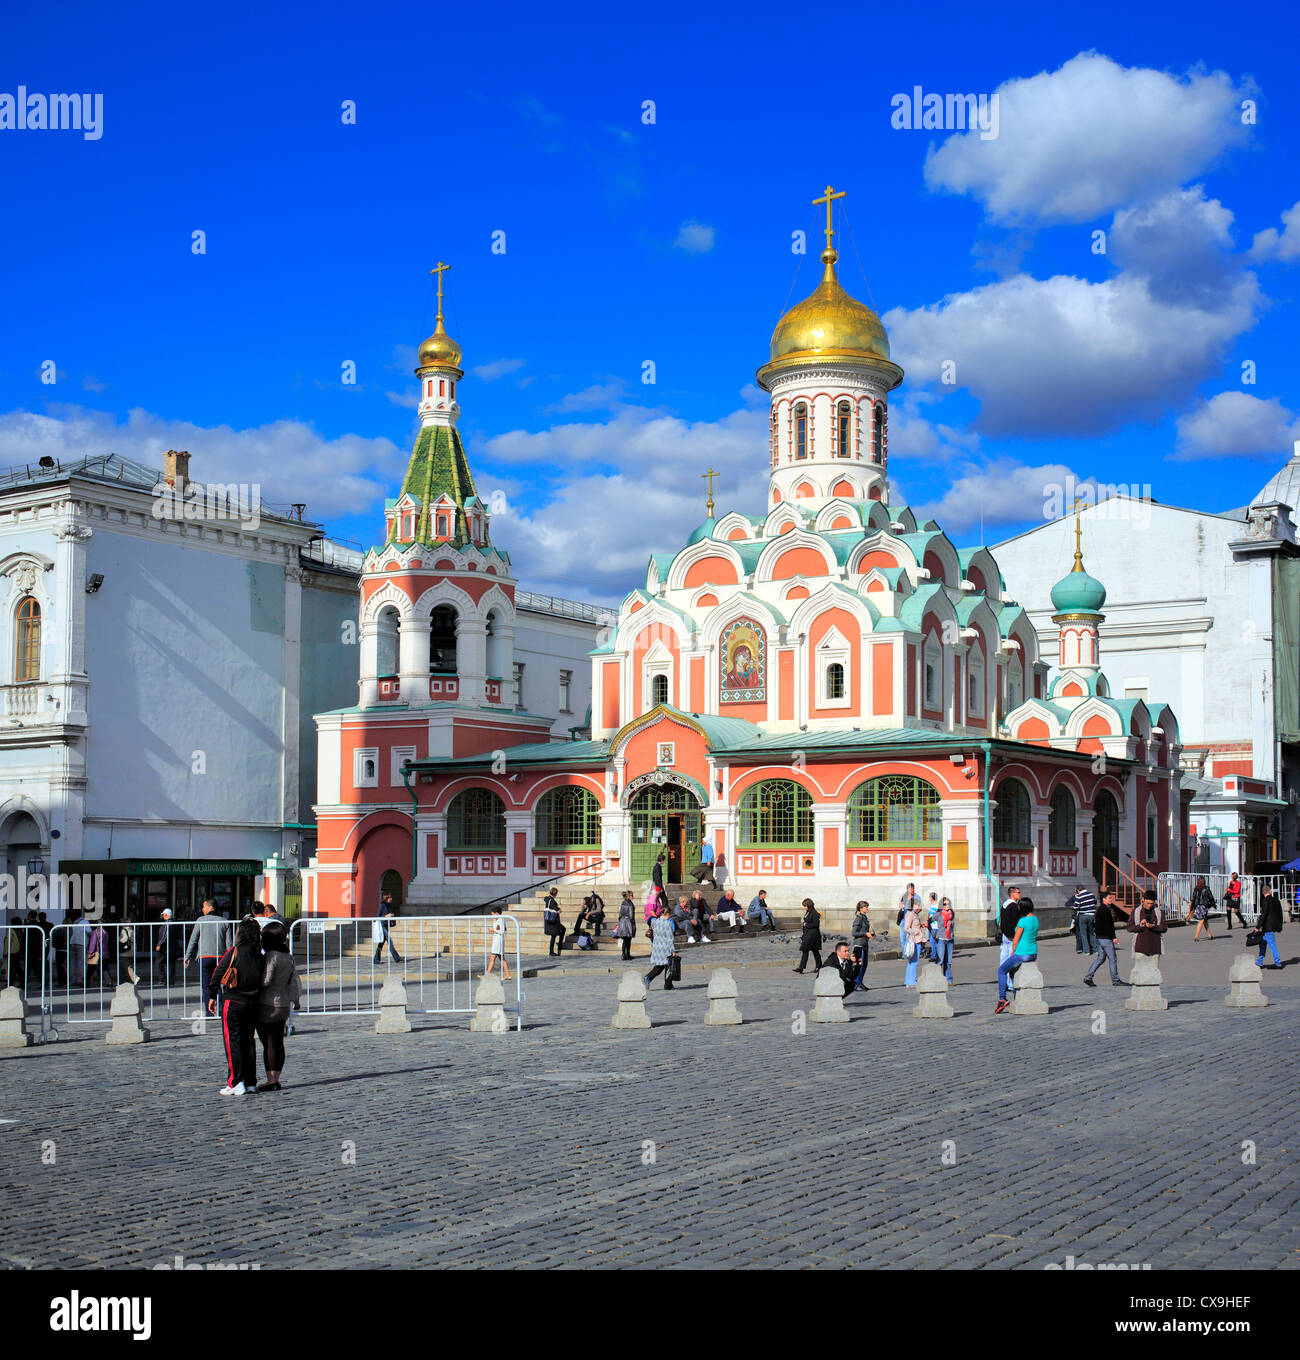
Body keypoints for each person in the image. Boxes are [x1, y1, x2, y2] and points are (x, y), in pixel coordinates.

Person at [212, 917, 264, 1096]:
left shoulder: (234, 952)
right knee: (249, 1041)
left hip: (233, 1002)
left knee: (233, 1041)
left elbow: (217, 974)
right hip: (253, 1002)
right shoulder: (259, 955)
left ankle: (235, 1082)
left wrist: (212, 995)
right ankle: (250, 1081)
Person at [255, 920, 300, 1092]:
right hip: (284, 1004)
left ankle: (270, 1079)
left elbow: (266, 980)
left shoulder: (271, 956)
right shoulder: (288, 957)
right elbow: (294, 981)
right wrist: (296, 1001)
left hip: (267, 1003)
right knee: (278, 1042)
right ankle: (276, 1077)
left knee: (269, 1043)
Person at [184, 899, 232, 1015]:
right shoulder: (224, 921)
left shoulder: (200, 920)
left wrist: (187, 956)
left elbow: (193, 939)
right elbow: (229, 943)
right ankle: (220, 1009)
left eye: (204, 906)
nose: (202, 909)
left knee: (206, 985)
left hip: (204, 956)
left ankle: (209, 1011)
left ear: (210, 907)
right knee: (219, 983)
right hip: (220, 957)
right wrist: (230, 959)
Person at [995, 897, 1039, 1013]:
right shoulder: (1035, 919)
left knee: (1002, 970)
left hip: (1021, 953)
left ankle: (1002, 998)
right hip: (1033, 953)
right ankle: (1016, 994)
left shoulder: (1022, 921)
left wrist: (1013, 952)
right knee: (1013, 970)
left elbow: (1015, 940)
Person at [1083, 890, 1125, 987]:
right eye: (1109, 898)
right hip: (1105, 939)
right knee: (1112, 958)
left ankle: (1088, 977)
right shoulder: (1105, 910)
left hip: (1100, 938)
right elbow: (1108, 926)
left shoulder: (1101, 909)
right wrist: (1113, 937)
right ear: (1104, 899)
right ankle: (1116, 980)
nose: (1111, 900)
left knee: (1101, 958)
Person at [644, 904, 678, 991]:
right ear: (667, 914)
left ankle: (667, 984)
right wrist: (673, 950)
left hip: (657, 947)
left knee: (661, 966)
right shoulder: (668, 924)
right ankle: (666, 984)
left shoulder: (655, 922)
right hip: (665, 947)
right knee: (667, 966)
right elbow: (670, 938)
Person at [1127, 889, 1167, 960]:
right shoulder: (1136, 911)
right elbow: (1129, 927)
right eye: (1147, 903)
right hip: (1140, 947)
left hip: (1155, 947)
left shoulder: (1159, 912)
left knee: (1154, 970)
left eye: (1151, 903)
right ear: (1143, 900)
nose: (1149, 905)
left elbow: (1164, 928)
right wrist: (1140, 926)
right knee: (1140, 970)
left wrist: (1154, 927)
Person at [1254, 889, 1284, 969]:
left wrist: (1258, 926)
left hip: (1267, 926)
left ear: (1263, 892)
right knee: (1262, 944)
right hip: (1273, 925)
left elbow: (1264, 914)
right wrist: (1280, 925)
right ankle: (1259, 962)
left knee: (1271, 944)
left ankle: (1278, 963)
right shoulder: (1276, 900)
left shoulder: (1265, 901)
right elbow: (1280, 913)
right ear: (1270, 891)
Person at [153, 908, 184, 986]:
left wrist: (159, 944)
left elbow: (164, 936)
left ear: (166, 915)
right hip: (173, 947)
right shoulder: (174, 923)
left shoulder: (167, 924)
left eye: (163, 914)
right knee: (171, 964)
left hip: (165, 948)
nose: (162, 915)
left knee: (159, 962)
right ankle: (171, 981)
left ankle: (162, 980)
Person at [902, 896, 928, 987]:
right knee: (914, 961)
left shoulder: (914, 914)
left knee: (912, 961)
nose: (920, 906)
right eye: (918, 904)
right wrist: (916, 932)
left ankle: (909, 980)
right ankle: (911, 981)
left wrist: (921, 925)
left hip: (917, 939)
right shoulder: (910, 914)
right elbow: (906, 928)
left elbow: (914, 925)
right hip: (914, 940)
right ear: (913, 905)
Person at [1067, 884, 1098, 955]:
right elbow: (1095, 902)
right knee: (1091, 933)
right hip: (1092, 915)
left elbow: (1075, 907)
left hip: (1083, 916)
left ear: (1078, 890)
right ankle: (1095, 949)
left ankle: (1087, 951)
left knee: (1083, 934)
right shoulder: (1091, 894)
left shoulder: (1079, 896)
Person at [850, 901, 875, 990]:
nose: (867, 908)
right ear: (861, 909)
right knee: (859, 965)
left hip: (865, 943)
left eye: (867, 906)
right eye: (866, 907)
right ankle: (856, 983)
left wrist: (870, 935)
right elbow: (854, 932)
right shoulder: (858, 918)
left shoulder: (864, 918)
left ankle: (860, 982)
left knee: (864, 964)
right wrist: (865, 933)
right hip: (859, 944)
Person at [372, 895, 403, 965]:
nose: (391, 899)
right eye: (390, 898)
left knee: (381, 943)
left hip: (386, 925)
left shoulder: (389, 905)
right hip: (382, 925)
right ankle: (397, 958)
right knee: (390, 942)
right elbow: (378, 916)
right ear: (386, 898)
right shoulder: (382, 905)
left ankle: (376, 959)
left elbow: (389, 914)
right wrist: (386, 916)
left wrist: (392, 915)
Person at [793, 899, 822, 973]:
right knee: (812, 950)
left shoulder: (814, 913)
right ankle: (817, 966)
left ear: (809, 905)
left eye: (805, 906)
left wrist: (806, 925)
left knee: (808, 950)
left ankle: (803, 967)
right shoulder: (808, 912)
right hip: (808, 934)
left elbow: (816, 924)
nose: (804, 907)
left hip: (813, 935)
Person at [998, 887, 1022, 972]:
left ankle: (1003, 979)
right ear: (1012, 894)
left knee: (1003, 958)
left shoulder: (1005, 904)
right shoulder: (1014, 906)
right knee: (1011, 960)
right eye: (1018, 892)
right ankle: (1011, 983)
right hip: (1012, 936)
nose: (1020, 894)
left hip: (1005, 935)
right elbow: (1016, 922)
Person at [484, 905, 512, 978]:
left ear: (496, 913)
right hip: (497, 940)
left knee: (492, 958)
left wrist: (493, 930)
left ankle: (486, 975)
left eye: (493, 914)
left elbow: (502, 931)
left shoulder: (500, 919)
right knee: (502, 958)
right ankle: (508, 974)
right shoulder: (498, 919)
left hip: (498, 941)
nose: (492, 916)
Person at [934, 896, 956, 983]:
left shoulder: (952, 914)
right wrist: (933, 934)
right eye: (945, 904)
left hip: (950, 939)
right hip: (941, 939)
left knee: (948, 961)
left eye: (948, 903)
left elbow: (952, 926)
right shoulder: (938, 914)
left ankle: (948, 980)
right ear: (941, 905)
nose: (947, 905)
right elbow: (929, 922)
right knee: (940, 960)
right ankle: (937, 979)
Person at [1186, 876, 1215, 942]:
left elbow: (1193, 898)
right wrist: (1213, 904)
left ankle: (1209, 934)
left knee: (1205, 920)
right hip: (1204, 906)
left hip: (1197, 906)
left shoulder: (1196, 889)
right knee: (1202, 920)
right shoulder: (1206, 888)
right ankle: (1196, 936)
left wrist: (1192, 907)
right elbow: (1210, 896)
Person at [613, 892, 636, 961]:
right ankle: (627, 954)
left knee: (624, 939)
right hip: (628, 922)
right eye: (632, 895)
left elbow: (620, 914)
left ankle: (623, 954)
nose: (633, 896)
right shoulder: (630, 904)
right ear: (629, 896)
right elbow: (631, 915)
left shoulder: (623, 902)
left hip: (622, 922)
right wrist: (632, 922)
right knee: (628, 939)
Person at [543, 889, 566, 957]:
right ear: (555, 894)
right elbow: (553, 908)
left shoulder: (548, 899)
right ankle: (556, 947)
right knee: (559, 932)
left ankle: (553, 949)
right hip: (553, 920)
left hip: (549, 920)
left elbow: (551, 907)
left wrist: (557, 908)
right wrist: (558, 910)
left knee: (555, 934)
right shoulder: (552, 900)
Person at [924, 892, 941, 962]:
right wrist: (927, 921)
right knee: (933, 941)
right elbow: (929, 913)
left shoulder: (938, 905)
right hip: (930, 926)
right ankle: (937, 955)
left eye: (929, 897)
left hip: (935, 926)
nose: (929, 898)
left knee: (932, 940)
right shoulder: (931, 905)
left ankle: (934, 956)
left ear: (931, 897)